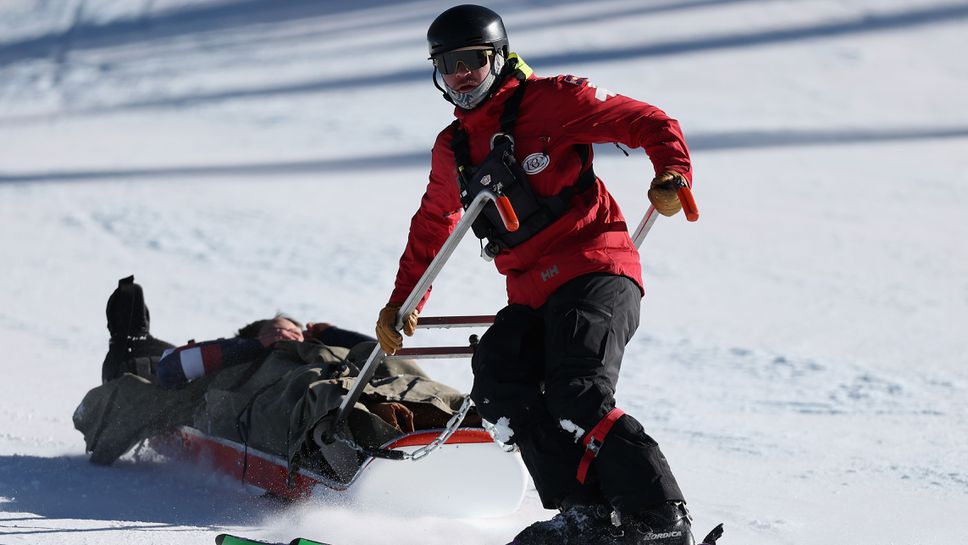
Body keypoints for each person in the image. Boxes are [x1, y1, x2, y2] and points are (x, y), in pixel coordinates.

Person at [374, 5, 695, 545]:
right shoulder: (454, 148)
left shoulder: (553, 100)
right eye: (450, 64)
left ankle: (661, 519)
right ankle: (585, 515)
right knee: (499, 383)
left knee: (577, 391)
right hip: (531, 293)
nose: (463, 74)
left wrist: (673, 171)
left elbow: (647, 121)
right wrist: (402, 303)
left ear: (499, 57)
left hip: (595, 268)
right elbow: (432, 226)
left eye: (474, 60)